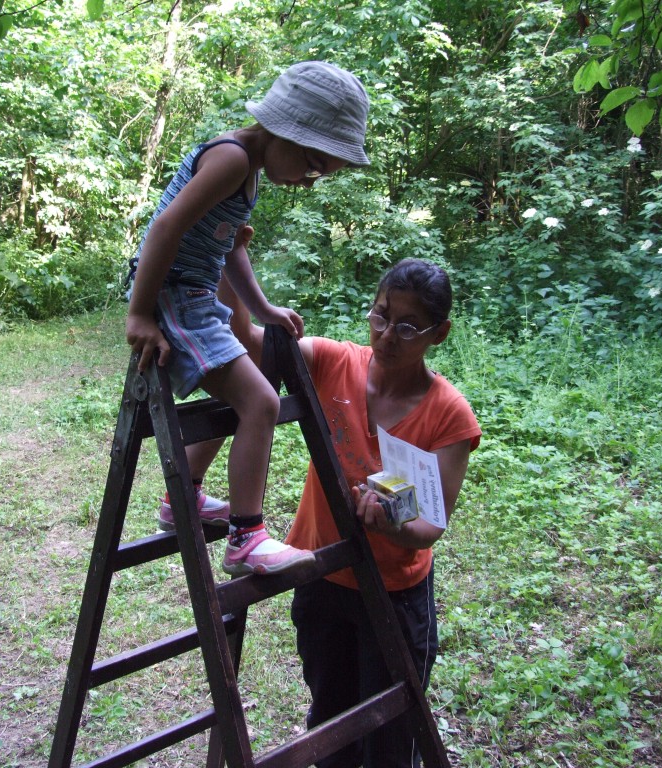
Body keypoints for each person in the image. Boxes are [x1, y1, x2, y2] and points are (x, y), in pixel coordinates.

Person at [188, 256, 482, 767]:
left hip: (395, 596)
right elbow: (248, 344)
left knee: (392, 740)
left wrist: (392, 522)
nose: (386, 335)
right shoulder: (332, 361)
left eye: (408, 326)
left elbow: (428, 526)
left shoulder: (449, 414)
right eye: (381, 315)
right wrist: (226, 258)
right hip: (320, 578)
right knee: (331, 724)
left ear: (439, 333)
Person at [124, 61, 370, 576]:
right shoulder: (232, 159)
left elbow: (229, 247)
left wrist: (261, 309)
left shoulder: (247, 170)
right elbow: (165, 228)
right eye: (313, 166)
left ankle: (183, 497)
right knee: (260, 402)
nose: (308, 182)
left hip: (194, 293)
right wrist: (141, 313)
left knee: (245, 386)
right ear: (285, 130)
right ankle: (246, 538)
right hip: (173, 294)